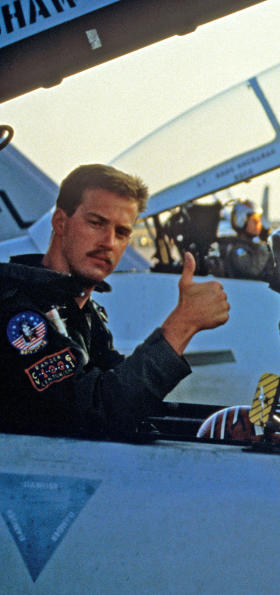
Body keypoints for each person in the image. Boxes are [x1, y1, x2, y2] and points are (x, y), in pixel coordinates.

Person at [0, 164, 230, 437]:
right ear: (60, 222)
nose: (109, 242)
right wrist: (183, 325)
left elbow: (119, 391)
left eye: (122, 233)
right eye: (96, 223)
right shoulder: (18, 311)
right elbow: (95, 411)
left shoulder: (82, 311)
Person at [215, 199, 277, 282]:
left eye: (259, 220)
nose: (259, 224)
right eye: (254, 221)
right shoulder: (237, 250)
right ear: (241, 221)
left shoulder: (251, 246)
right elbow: (253, 271)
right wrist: (265, 246)